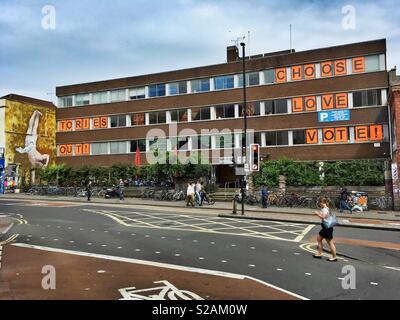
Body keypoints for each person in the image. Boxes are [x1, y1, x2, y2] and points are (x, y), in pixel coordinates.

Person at [313, 197, 338, 262]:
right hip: (325, 227)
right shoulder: (326, 208)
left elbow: (323, 217)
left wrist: (317, 213)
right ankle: (319, 254)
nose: (319, 204)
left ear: (322, 202)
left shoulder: (325, 209)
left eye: (319, 203)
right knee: (319, 239)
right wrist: (319, 213)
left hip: (327, 228)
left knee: (330, 242)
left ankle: (334, 257)